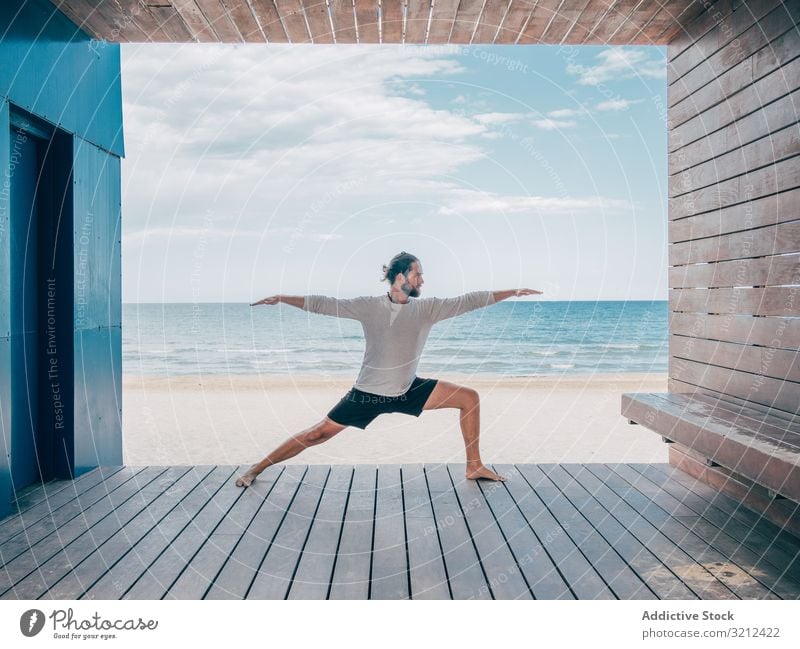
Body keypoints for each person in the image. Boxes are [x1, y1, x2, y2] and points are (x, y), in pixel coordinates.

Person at [236, 251, 542, 487]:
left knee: (469, 398)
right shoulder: (368, 306)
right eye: (417, 274)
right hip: (367, 394)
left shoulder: (428, 308)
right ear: (399, 277)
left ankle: (474, 466)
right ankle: (256, 469)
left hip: (407, 389)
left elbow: (468, 301)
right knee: (317, 434)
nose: (422, 280)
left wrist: (511, 292)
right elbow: (324, 304)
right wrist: (282, 298)